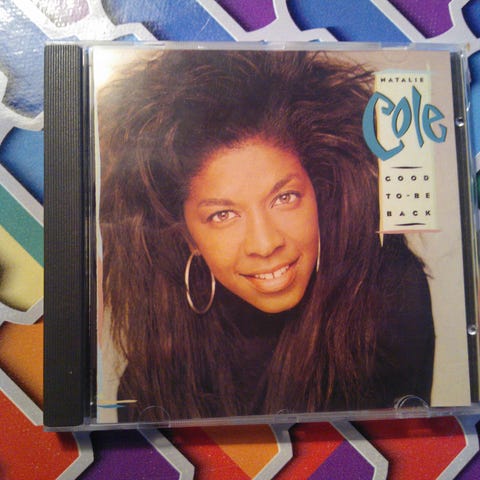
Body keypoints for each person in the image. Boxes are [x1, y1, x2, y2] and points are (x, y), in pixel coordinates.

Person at [97, 48, 434, 422]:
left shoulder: (383, 291)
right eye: (223, 215)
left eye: (284, 198)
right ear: (189, 236)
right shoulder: (153, 373)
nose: (265, 243)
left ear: (318, 191)